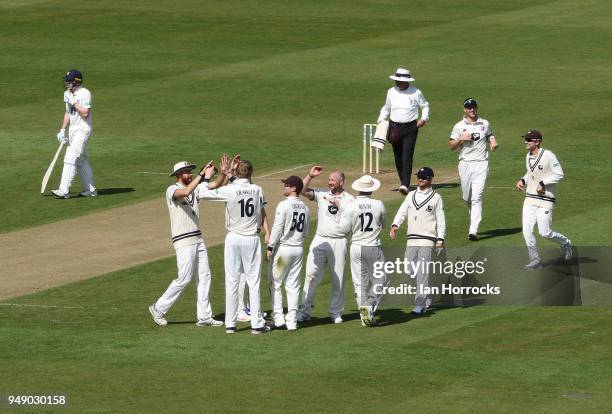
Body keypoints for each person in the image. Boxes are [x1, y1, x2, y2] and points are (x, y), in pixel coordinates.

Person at [149, 155, 230, 327]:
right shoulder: (172, 189)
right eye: (187, 172)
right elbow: (185, 192)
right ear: (179, 174)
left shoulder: (196, 188)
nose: (190, 174)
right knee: (184, 278)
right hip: (183, 240)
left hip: (198, 238)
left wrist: (223, 173)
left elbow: (215, 186)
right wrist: (202, 175)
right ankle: (158, 308)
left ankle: (204, 316)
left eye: (190, 172)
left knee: (204, 276)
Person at [208, 160, 271, 334]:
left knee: (232, 280)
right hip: (251, 238)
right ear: (251, 173)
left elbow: (205, 192)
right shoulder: (257, 190)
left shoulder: (229, 189)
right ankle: (257, 324)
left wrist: (224, 174)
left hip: (233, 238)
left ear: (236, 173)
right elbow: (261, 211)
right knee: (253, 281)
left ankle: (230, 324)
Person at [298, 166, 355, 324]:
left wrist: (340, 206)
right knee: (311, 275)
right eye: (329, 180)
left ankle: (336, 312)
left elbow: (352, 221)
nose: (329, 182)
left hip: (339, 241)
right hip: (320, 239)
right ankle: (304, 311)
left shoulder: (350, 199)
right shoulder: (322, 194)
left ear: (341, 182)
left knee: (338, 278)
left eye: (332, 180)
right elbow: (301, 190)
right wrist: (310, 176)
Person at [390, 167, 445, 314]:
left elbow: (441, 220)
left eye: (423, 177)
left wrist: (440, 239)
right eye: (419, 177)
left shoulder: (436, 198)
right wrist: (395, 225)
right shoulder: (411, 195)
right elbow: (402, 211)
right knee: (408, 267)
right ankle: (427, 292)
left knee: (422, 272)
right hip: (412, 237)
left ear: (430, 179)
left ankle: (419, 305)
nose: (420, 179)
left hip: (428, 239)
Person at [515, 130, 572, 269]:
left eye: (528, 139)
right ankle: (535, 260)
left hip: (546, 199)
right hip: (530, 199)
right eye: (525, 139)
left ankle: (565, 243)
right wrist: (523, 180)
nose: (525, 142)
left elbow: (559, 174)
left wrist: (543, 183)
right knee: (527, 231)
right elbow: (530, 173)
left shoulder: (548, 155)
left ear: (537, 141)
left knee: (544, 232)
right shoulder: (528, 156)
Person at [337, 175, 386, 327]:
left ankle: (364, 316)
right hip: (372, 246)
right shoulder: (379, 204)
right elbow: (383, 225)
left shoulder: (351, 205)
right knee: (381, 281)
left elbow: (344, 229)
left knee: (360, 283)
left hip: (356, 247)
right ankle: (368, 310)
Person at [449, 98, 498, 241]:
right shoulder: (458, 126)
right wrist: (461, 139)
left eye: (473, 107)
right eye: (469, 108)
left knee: (477, 197)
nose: (472, 110)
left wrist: (493, 142)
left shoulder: (485, 123)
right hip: (465, 163)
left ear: (477, 108)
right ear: (465, 109)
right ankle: (472, 211)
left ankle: (473, 230)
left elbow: (489, 134)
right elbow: (451, 145)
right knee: (467, 197)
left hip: (481, 163)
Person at [266, 176, 310, 330]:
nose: (284, 187)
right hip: (298, 249)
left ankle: (278, 318)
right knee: (293, 285)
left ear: (293, 188)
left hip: (284, 250)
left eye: (287, 185)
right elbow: (306, 230)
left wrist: (271, 246)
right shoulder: (305, 207)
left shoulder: (283, 205)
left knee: (275, 283)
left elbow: (278, 227)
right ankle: (292, 321)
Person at [377, 67, 430, 194]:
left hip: (411, 127)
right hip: (394, 127)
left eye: (399, 80)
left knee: (407, 155)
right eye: (396, 80)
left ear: (407, 81)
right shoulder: (391, 92)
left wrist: (423, 119)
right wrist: (380, 120)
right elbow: (386, 108)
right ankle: (403, 181)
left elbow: (425, 106)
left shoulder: (416, 92)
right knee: (397, 156)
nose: (396, 82)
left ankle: (405, 184)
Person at [52, 69, 96, 199]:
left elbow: (85, 113)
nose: (67, 84)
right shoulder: (68, 94)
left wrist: (73, 101)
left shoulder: (85, 93)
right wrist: (62, 130)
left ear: (77, 82)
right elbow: (68, 113)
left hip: (83, 129)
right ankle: (91, 190)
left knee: (71, 155)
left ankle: (64, 190)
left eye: (69, 81)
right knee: (81, 160)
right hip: (73, 129)